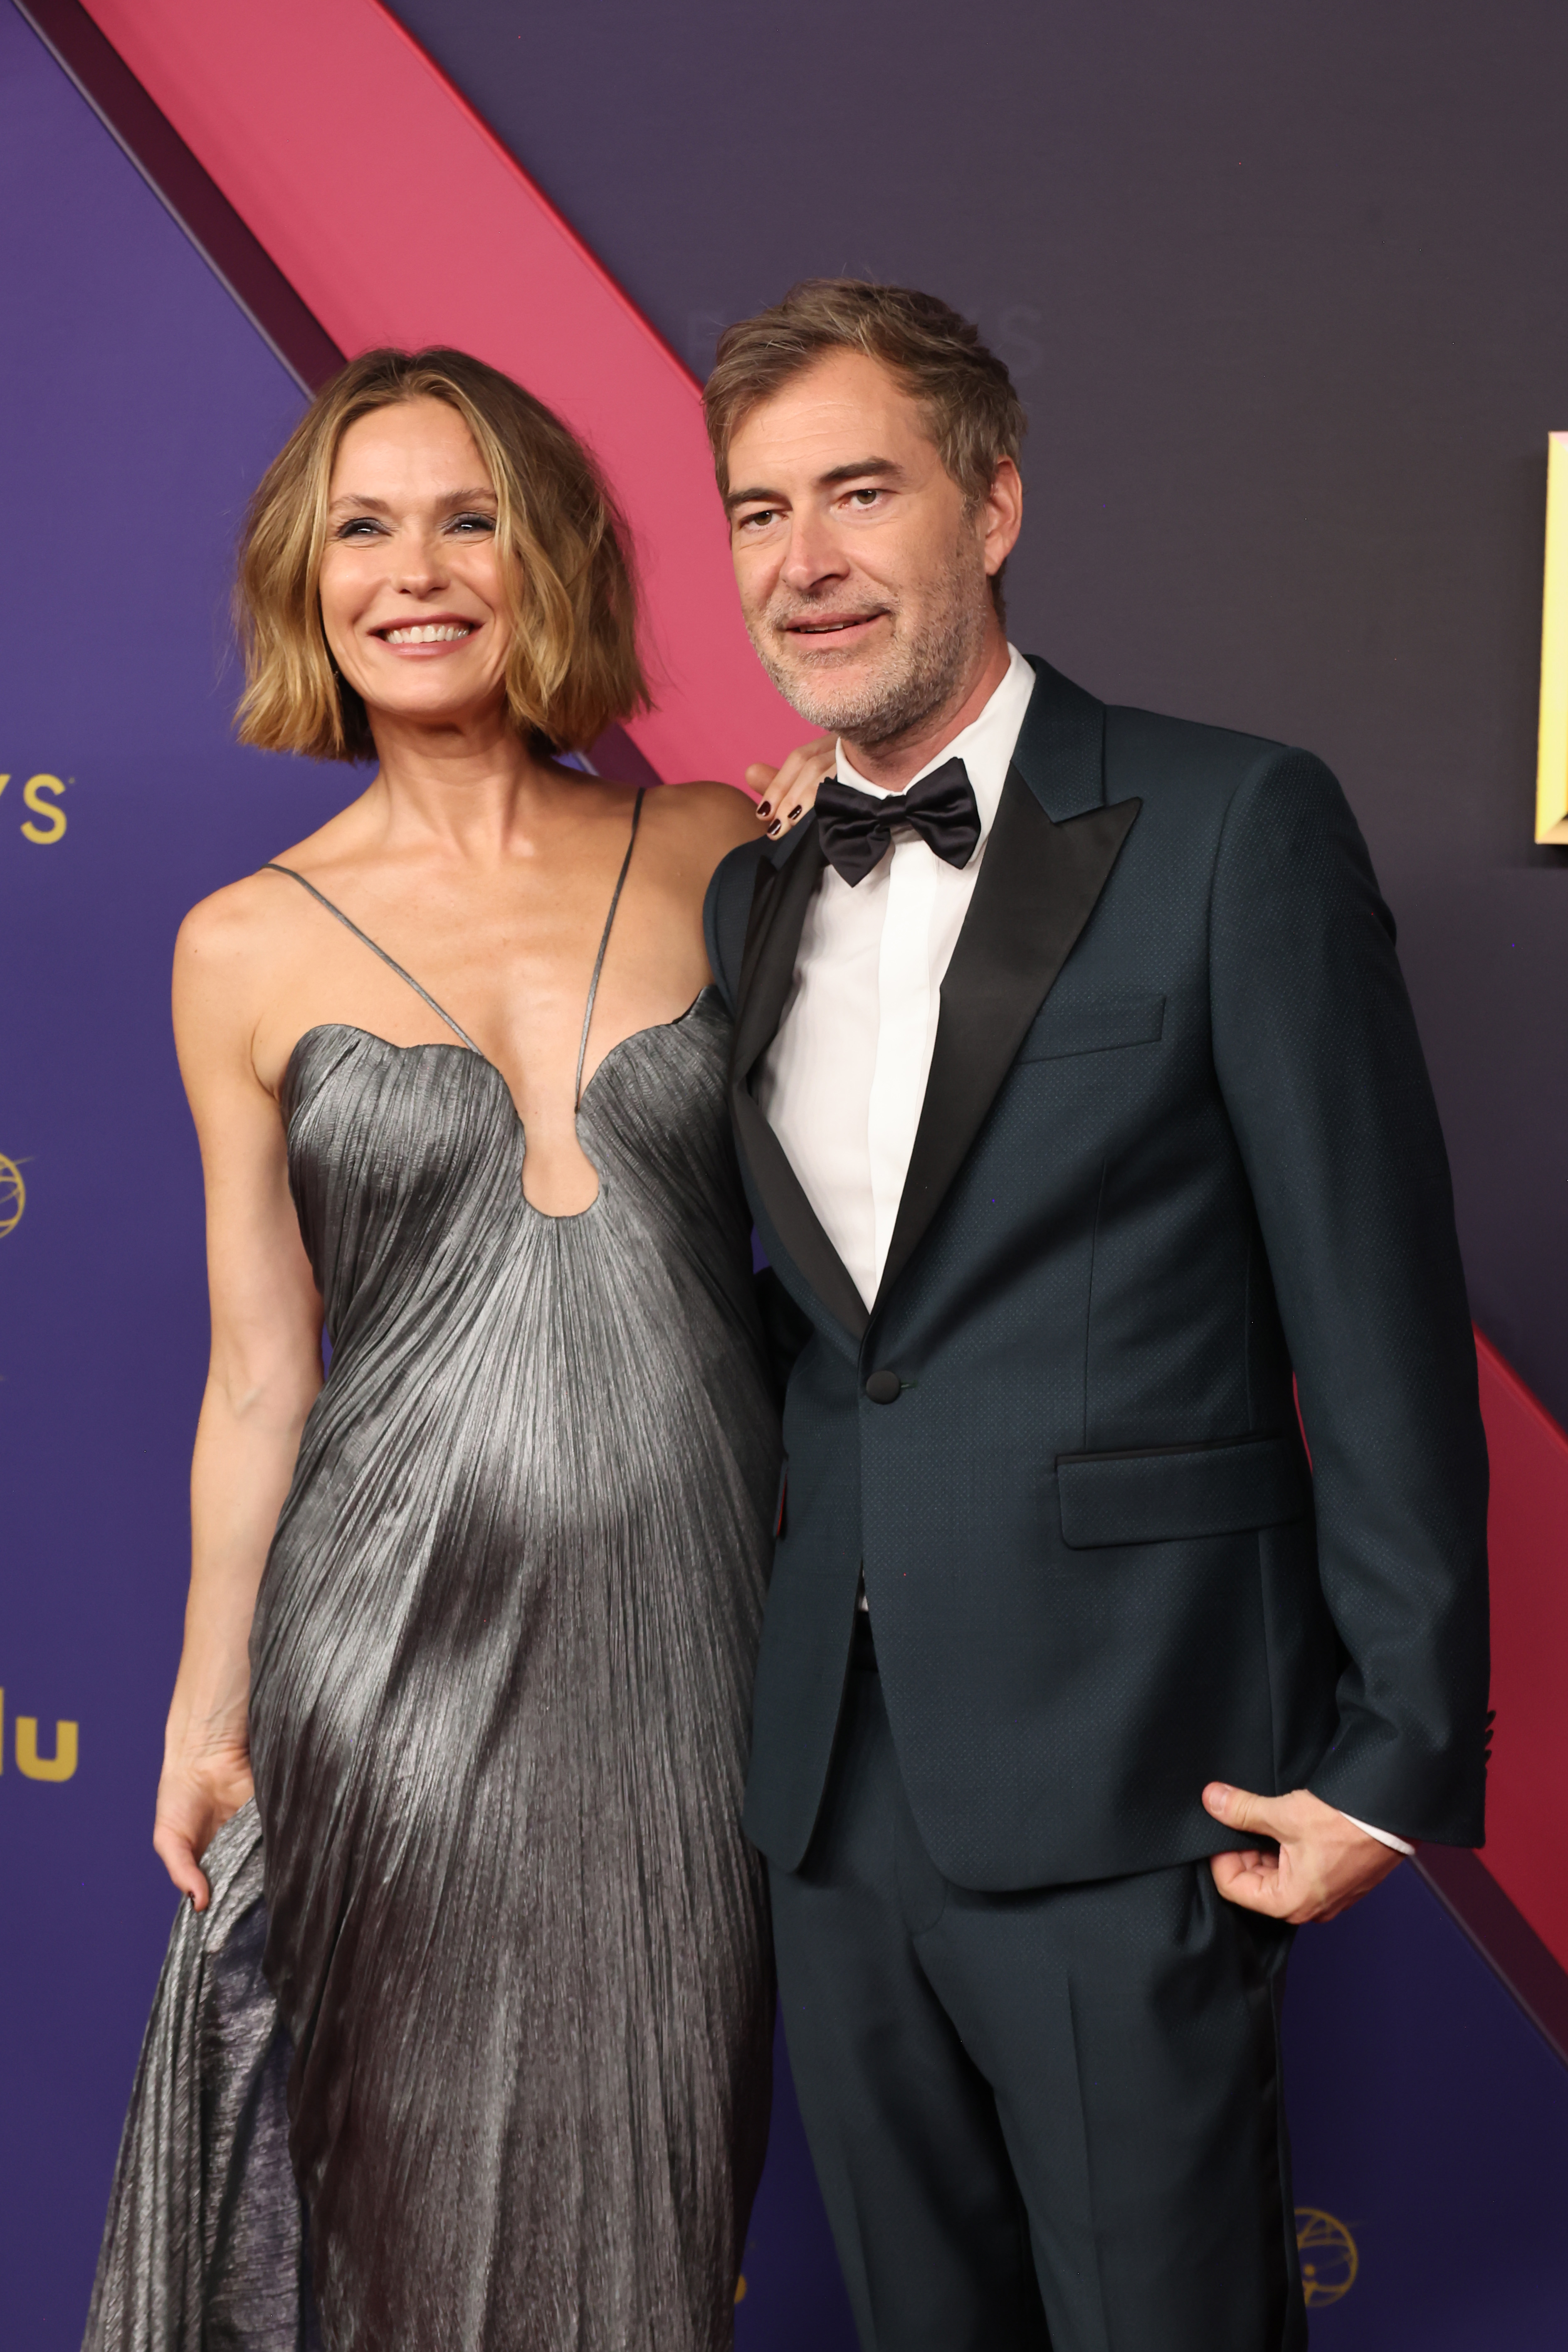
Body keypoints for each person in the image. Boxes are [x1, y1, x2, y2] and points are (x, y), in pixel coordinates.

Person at [701, 281, 1490, 2350]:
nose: (806, 559)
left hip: (1139, 1762)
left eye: (860, 491)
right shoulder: (748, 882)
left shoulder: (1236, 821)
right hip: (831, 1794)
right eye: (760, 510)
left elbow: (1377, 1303)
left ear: (995, 500)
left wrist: (1399, 1745)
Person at [84, 345, 826, 2352]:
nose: (415, 570)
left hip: (686, 1656)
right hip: (385, 1668)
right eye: (362, 526)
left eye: (468, 515)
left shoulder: (721, 848)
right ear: (303, 582)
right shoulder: (241, 941)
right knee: (396, 2220)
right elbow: (262, 1372)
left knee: (655, 2215)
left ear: (550, 553)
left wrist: (831, 810)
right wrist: (201, 1696)